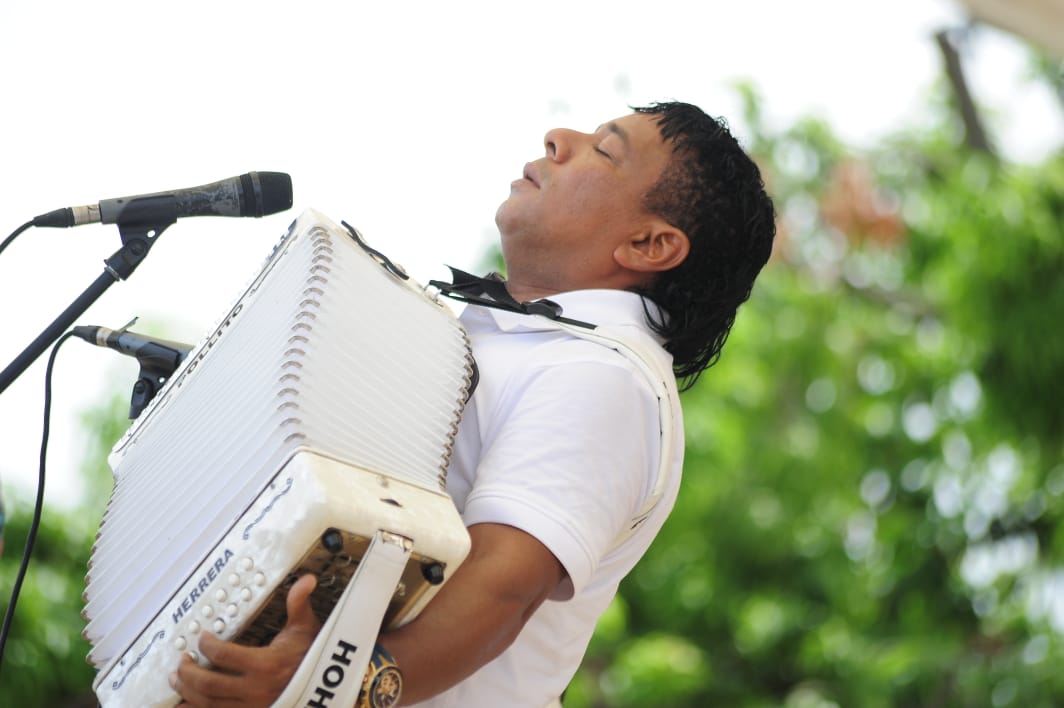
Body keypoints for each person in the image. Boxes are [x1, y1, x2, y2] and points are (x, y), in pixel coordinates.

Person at [171, 101, 776, 707]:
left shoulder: (603, 376)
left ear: (648, 244)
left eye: (603, 149)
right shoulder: (518, 341)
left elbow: (501, 591)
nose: (558, 138)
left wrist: (323, 688)